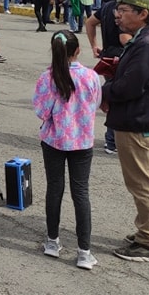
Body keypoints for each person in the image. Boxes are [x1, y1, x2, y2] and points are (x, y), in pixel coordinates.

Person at [105, 0, 149, 262]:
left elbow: (131, 86)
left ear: (143, 13)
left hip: (138, 120)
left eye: (124, 10)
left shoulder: (147, 44)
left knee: (143, 184)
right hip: (147, 118)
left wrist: (106, 90)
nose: (117, 15)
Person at [32, 30, 102, 270]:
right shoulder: (91, 76)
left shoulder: (48, 77)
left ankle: (53, 242)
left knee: (55, 188)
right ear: (77, 50)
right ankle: (84, 251)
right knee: (80, 193)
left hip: (54, 139)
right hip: (82, 141)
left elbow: (41, 111)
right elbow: (95, 104)